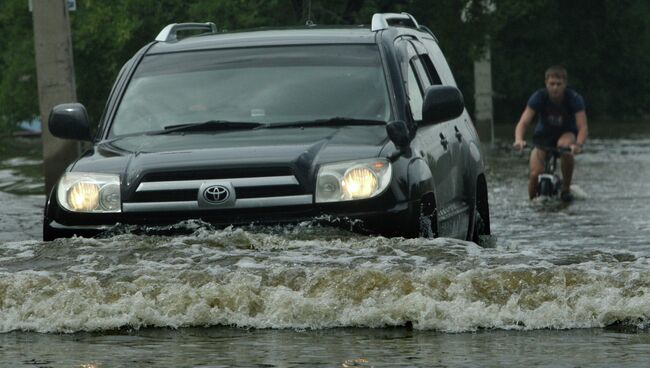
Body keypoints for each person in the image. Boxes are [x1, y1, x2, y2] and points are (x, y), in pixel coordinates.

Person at [513, 66, 588, 202]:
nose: (555, 88)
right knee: (535, 173)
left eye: (559, 84)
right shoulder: (538, 97)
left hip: (566, 134)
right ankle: (531, 203)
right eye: (552, 84)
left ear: (565, 84)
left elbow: (582, 126)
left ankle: (566, 188)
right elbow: (523, 122)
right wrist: (519, 140)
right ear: (546, 83)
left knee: (564, 147)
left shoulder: (574, 99)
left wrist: (578, 145)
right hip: (543, 136)